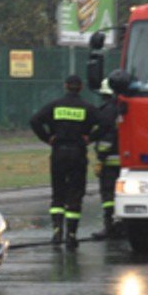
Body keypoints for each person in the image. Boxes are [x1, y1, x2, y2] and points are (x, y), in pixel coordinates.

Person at [30, 75, 100, 249]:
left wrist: (47, 138)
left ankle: (56, 232)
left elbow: (34, 120)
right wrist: (91, 137)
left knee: (58, 193)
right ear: (81, 87)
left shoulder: (55, 106)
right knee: (75, 194)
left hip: (59, 153)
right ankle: (71, 235)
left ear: (66, 86)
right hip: (77, 154)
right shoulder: (87, 108)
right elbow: (105, 123)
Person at [90, 78, 122, 240]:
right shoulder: (123, 108)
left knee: (108, 196)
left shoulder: (108, 110)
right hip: (125, 160)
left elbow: (106, 138)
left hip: (110, 161)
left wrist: (101, 158)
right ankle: (122, 226)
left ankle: (110, 227)